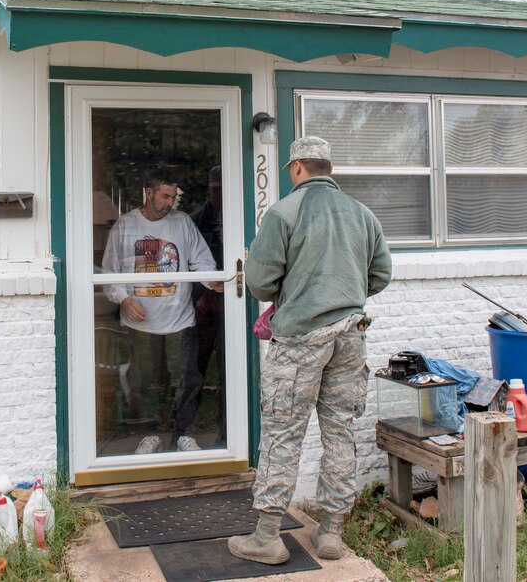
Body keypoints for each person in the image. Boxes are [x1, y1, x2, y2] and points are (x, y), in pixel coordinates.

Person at [228, 136, 392, 564]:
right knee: (340, 431)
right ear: (328, 168)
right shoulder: (363, 214)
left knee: (283, 433)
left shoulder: (283, 213)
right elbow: (381, 275)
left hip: (300, 341)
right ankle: (331, 531)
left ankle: (267, 536)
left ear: (297, 168)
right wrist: (347, 294)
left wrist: (298, 294)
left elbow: (261, 283)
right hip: (350, 337)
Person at [102, 170, 222, 454]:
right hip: (140, 318)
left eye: (173, 196)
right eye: (165, 196)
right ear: (149, 193)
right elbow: (108, 272)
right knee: (146, 378)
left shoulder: (182, 223)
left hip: (179, 315)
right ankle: (150, 433)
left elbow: (201, 261)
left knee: (188, 376)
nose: (170, 202)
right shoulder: (126, 225)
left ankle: (183, 433)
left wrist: (213, 280)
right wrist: (123, 299)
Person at [189, 166, 226, 446]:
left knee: (228, 368)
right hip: (200, 305)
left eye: (223, 188)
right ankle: (184, 431)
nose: (219, 193)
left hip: (231, 303)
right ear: (208, 189)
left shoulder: (239, 217)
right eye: (215, 188)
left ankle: (225, 433)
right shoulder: (195, 222)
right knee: (194, 367)